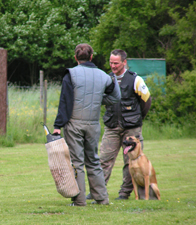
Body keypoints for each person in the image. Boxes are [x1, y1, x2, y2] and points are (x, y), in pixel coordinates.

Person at [53, 44, 121, 206]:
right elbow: (115, 97)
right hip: (93, 125)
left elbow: (65, 101)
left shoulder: (71, 74)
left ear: (75, 58)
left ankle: (79, 200)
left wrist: (57, 125)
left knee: (77, 162)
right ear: (91, 57)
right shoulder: (105, 76)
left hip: (74, 124)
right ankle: (102, 198)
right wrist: (98, 100)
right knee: (94, 160)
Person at [86, 49, 152, 200]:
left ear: (124, 62)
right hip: (112, 126)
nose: (113, 66)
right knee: (103, 159)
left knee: (131, 162)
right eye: (111, 63)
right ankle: (97, 191)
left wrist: (138, 117)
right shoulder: (106, 78)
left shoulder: (135, 79)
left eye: (116, 63)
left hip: (132, 129)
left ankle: (125, 193)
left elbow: (147, 101)